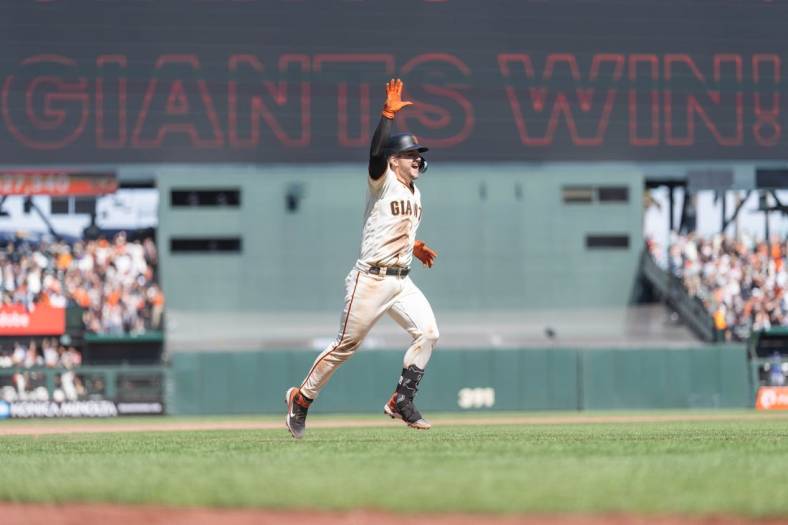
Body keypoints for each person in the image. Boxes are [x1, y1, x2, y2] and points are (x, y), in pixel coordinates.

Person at [285, 78, 440, 439]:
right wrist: (386, 117)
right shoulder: (382, 180)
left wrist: (414, 246)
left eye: (420, 153)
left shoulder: (415, 194)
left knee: (429, 333)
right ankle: (301, 399)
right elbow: (374, 155)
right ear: (394, 160)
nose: (418, 157)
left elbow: (394, 227)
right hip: (370, 279)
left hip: (401, 280)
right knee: (344, 347)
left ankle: (401, 401)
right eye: (411, 153)